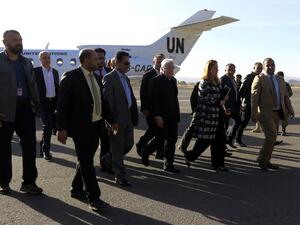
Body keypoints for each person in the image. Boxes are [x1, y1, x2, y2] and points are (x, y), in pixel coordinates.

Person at [56, 49, 109, 211]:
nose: (99, 62)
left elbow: (102, 101)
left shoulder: (96, 77)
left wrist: (111, 120)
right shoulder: (71, 77)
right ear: (86, 60)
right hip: (80, 128)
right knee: (87, 163)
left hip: (96, 126)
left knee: (85, 159)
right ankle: (94, 197)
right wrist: (62, 128)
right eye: (96, 59)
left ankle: (76, 188)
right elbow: (62, 105)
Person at [0, 30, 43, 195]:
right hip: (4, 112)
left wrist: (37, 107)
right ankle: (4, 182)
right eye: (15, 40)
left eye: (20, 39)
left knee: (30, 147)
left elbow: (33, 86)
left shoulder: (26, 62)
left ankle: (29, 183)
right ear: (5, 42)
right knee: (3, 148)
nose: (19, 42)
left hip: (25, 109)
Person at [182, 60, 229, 171]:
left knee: (220, 141)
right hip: (207, 117)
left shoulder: (217, 81)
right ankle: (189, 156)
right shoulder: (204, 82)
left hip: (217, 116)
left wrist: (224, 101)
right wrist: (220, 102)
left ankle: (218, 164)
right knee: (204, 141)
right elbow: (206, 98)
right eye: (215, 68)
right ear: (209, 69)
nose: (217, 69)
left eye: (217, 67)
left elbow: (218, 96)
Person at [102, 51, 138, 187]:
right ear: (117, 63)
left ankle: (108, 158)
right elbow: (108, 101)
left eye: (129, 63)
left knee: (129, 143)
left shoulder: (126, 78)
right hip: (116, 120)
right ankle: (120, 176)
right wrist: (111, 121)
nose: (129, 66)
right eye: (126, 63)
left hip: (127, 118)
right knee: (117, 148)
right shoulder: (109, 78)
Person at [251, 58, 294, 171]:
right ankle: (262, 161)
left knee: (272, 138)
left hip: (277, 113)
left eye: (272, 65)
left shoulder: (279, 79)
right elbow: (254, 98)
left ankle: (265, 159)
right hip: (265, 113)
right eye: (268, 65)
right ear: (264, 66)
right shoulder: (259, 78)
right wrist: (254, 114)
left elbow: (285, 96)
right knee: (271, 137)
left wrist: (290, 109)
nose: (271, 67)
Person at [142, 59, 181, 173]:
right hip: (161, 116)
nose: (170, 70)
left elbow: (174, 99)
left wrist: (177, 114)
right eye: (167, 67)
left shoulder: (173, 80)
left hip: (172, 116)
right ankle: (146, 151)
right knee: (160, 139)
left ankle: (169, 165)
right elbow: (154, 100)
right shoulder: (155, 81)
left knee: (172, 141)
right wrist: (157, 116)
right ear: (162, 69)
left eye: (172, 67)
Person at [137, 53, 165, 158]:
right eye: (158, 62)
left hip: (162, 109)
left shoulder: (164, 75)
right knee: (153, 130)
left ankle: (159, 151)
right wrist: (144, 108)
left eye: (162, 62)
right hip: (151, 109)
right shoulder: (148, 75)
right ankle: (141, 145)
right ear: (153, 62)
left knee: (161, 130)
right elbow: (143, 92)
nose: (160, 64)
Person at [34, 51, 60, 161]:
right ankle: (46, 152)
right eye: (44, 58)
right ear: (40, 60)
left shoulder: (55, 72)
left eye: (48, 57)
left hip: (52, 103)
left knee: (49, 127)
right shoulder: (36, 71)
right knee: (48, 126)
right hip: (42, 103)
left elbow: (56, 87)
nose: (47, 59)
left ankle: (42, 147)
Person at [236, 62, 263, 146]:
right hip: (247, 104)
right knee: (243, 123)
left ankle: (271, 140)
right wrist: (241, 102)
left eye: (261, 68)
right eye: (258, 68)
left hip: (257, 104)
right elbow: (242, 90)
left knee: (265, 122)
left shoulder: (261, 77)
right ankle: (237, 140)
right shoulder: (249, 77)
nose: (259, 69)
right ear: (253, 68)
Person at [94, 48, 112, 172]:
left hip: (107, 113)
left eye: (102, 58)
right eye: (98, 58)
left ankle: (105, 164)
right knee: (93, 142)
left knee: (106, 140)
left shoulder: (110, 72)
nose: (100, 60)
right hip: (94, 113)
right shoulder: (89, 74)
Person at [220, 64, 242, 149]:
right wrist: (225, 107)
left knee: (239, 121)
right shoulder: (223, 79)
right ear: (225, 70)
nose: (231, 71)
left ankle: (229, 139)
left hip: (234, 106)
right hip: (227, 107)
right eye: (229, 70)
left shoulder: (233, 79)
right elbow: (222, 94)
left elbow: (236, 92)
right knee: (225, 126)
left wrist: (238, 104)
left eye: (232, 70)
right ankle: (223, 145)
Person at [276, 71, 294, 136]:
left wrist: (285, 97)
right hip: (283, 104)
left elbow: (290, 93)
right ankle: (282, 131)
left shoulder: (278, 84)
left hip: (283, 104)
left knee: (280, 119)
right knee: (281, 119)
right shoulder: (285, 84)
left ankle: (280, 131)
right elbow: (291, 93)